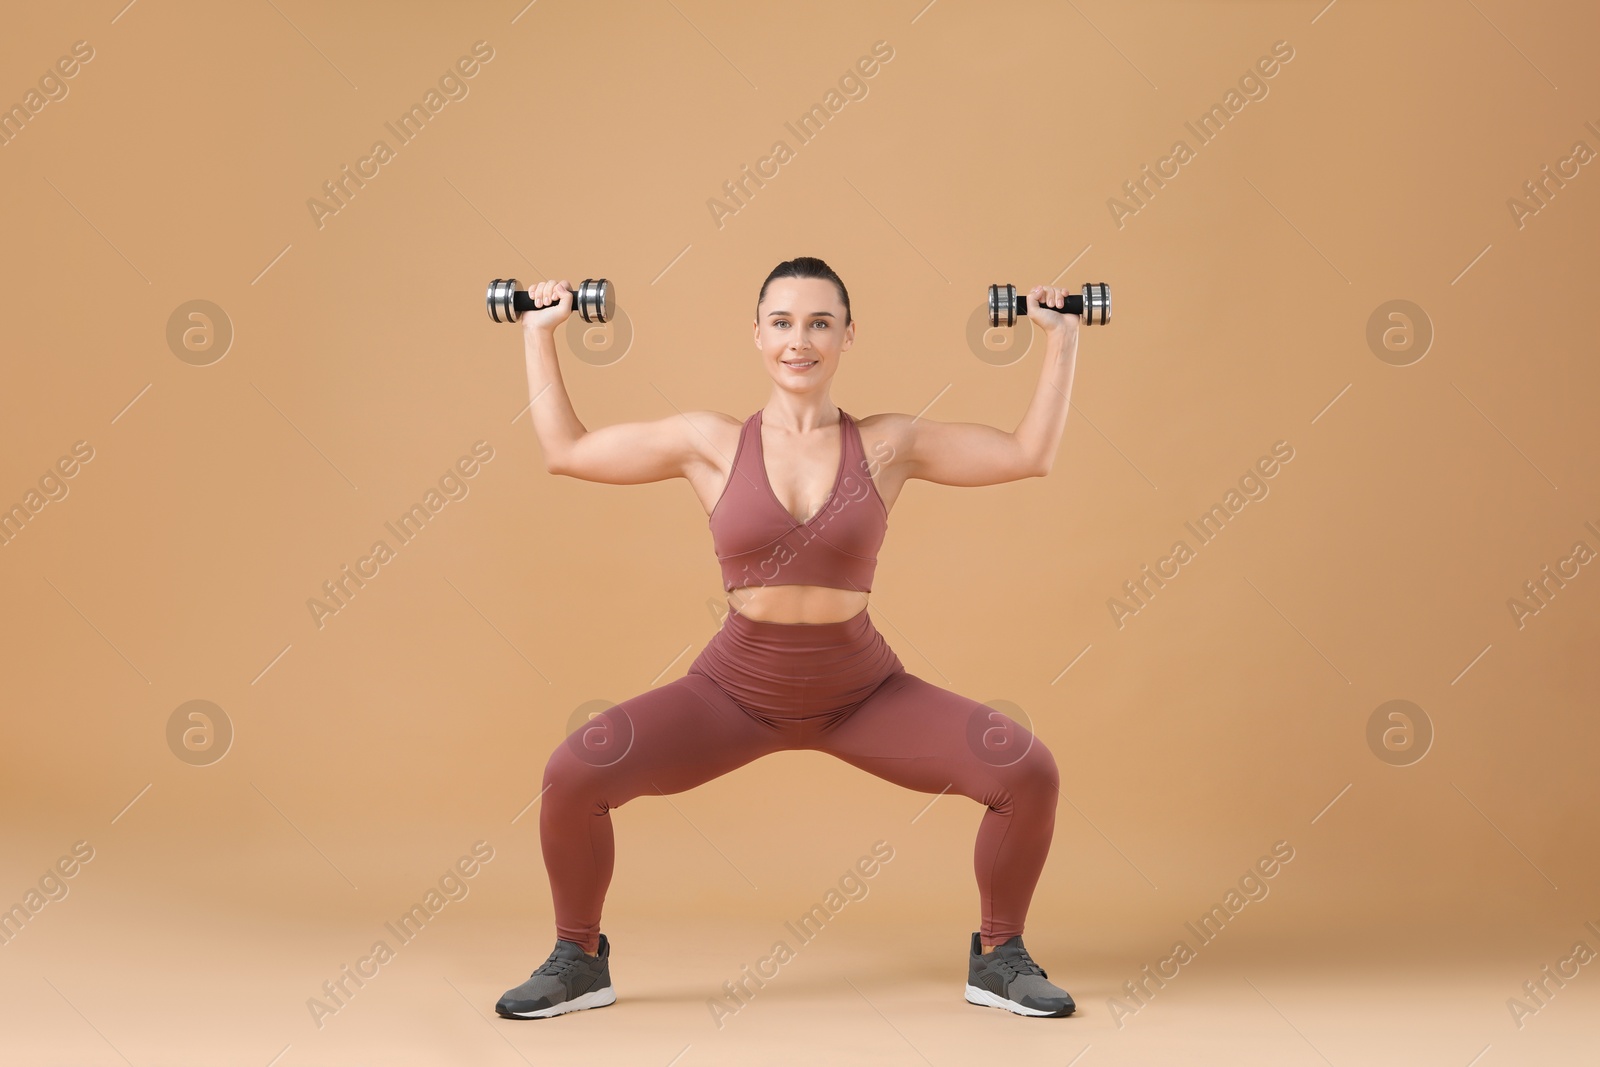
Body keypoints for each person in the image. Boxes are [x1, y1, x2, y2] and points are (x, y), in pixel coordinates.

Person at [496, 256, 1081, 1020]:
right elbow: (565, 450)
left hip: (863, 692)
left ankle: (1002, 958)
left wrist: (1062, 337)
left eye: (818, 323)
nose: (798, 341)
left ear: (846, 336)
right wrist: (539, 333)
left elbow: (1027, 454)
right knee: (574, 772)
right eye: (782, 322)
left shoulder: (885, 444)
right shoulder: (706, 442)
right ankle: (577, 959)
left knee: (1027, 770)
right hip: (733, 691)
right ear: (757, 334)